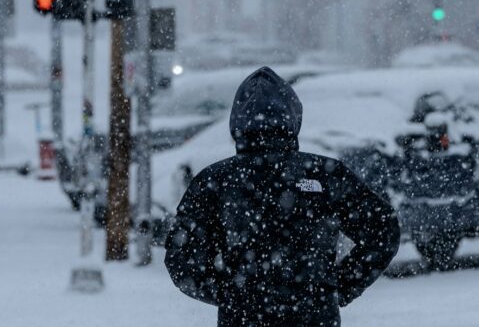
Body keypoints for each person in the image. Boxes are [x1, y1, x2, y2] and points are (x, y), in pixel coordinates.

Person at [165, 67, 400, 326]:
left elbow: (183, 258)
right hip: (314, 316)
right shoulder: (324, 175)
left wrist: (231, 294)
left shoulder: (216, 181)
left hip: (244, 318)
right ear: (292, 117)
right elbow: (383, 230)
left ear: (237, 122)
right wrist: (337, 287)